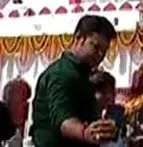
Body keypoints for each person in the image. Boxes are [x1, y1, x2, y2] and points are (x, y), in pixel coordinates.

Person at [30, 14, 119, 146]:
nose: (100, 55)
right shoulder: (61, 74)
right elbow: (63, 120)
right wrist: (85, 132)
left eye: (104, 51)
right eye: (95, 47)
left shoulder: (84, 75)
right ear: (79, 39)